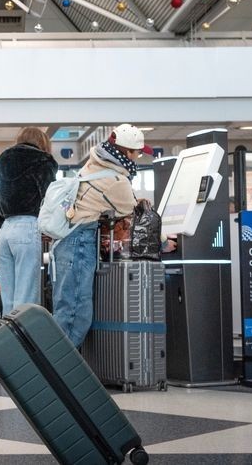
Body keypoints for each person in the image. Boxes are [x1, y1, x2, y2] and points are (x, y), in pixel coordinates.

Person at [53, 124, 147, 347]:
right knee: (77, 313)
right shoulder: (117, 181)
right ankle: (59, 370)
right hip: (81, 243)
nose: (139, 157)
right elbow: (136, 219)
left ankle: (57, 367)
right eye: (138, 152)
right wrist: (164, 241)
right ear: (127, 152)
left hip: (68, 240)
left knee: (66, 307)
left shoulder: (93, 165)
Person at [0, 127, 58, 314]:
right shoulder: (44, 161)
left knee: (8, 297)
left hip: (5, 231)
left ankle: (6, 341)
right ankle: (23, 342)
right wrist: (47, 228)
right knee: (26, 297)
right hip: (28, 226)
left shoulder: (3, 161)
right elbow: (49, 199)